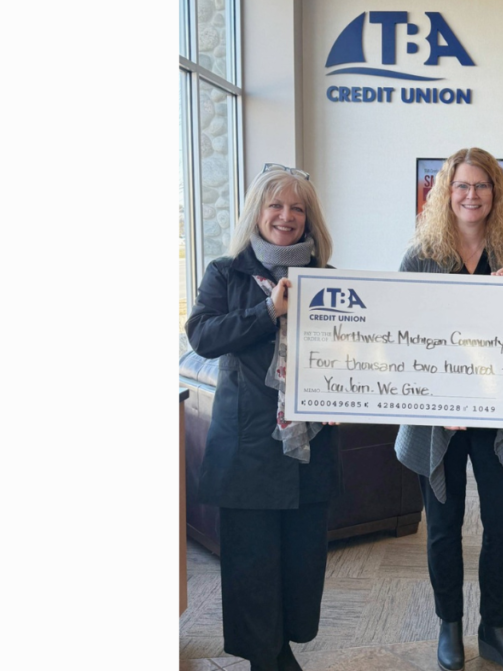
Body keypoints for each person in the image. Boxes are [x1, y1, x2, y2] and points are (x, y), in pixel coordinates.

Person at [186, 164, 341, 671]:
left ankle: (281, 648)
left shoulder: (328, 280)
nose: (286, 216)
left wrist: (347, 395)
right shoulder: (225, 272)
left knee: (301, 562)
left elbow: (352, 352)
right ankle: (266, 658)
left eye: (298, 208)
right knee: (251, 564)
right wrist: (268, 311)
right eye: (276, 205)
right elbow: (203, 336)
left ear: (309, 218)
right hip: (247, 445)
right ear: (257, 212)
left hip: (307, 448)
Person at [396, 148, 503, 671]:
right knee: (443, 524)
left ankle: (495, 629)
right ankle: (449, 626)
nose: (471, 195)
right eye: (461, 185)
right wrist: (435, 401)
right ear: (446, 192)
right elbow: (402, 338)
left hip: (499, 416)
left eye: (481, 185)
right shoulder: (420, 257)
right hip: (439, 419)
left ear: (496, 194)